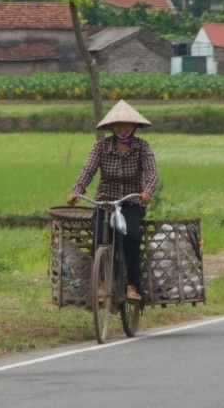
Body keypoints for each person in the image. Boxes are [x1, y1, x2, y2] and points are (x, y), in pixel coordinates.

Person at [66, 100, 159, 301]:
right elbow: (88, 171)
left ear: (134, 126)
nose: (122, 128)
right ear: (111, 127)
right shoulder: (101, 147)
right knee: (100, 239)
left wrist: (147, 192)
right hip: (106, 202)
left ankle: (132, 286)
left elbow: (152, 174)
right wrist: (76, 191)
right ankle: (101, 282)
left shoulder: (142, 147)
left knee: (130, 238)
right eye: (118, 125)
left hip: (131, 202)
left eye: (127, 124)